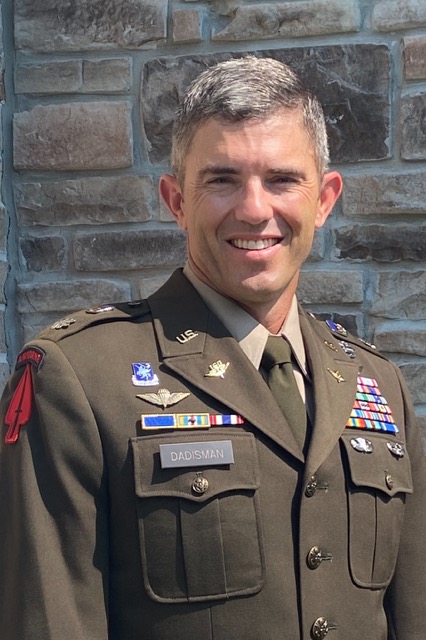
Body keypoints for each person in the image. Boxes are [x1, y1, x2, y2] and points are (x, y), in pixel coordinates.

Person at [0, 56, 425, 640]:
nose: (254, 209)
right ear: (176, 200)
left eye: (282, 179)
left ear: (324, 200)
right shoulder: (77, 378)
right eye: (221, 180)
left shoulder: (379, 386)